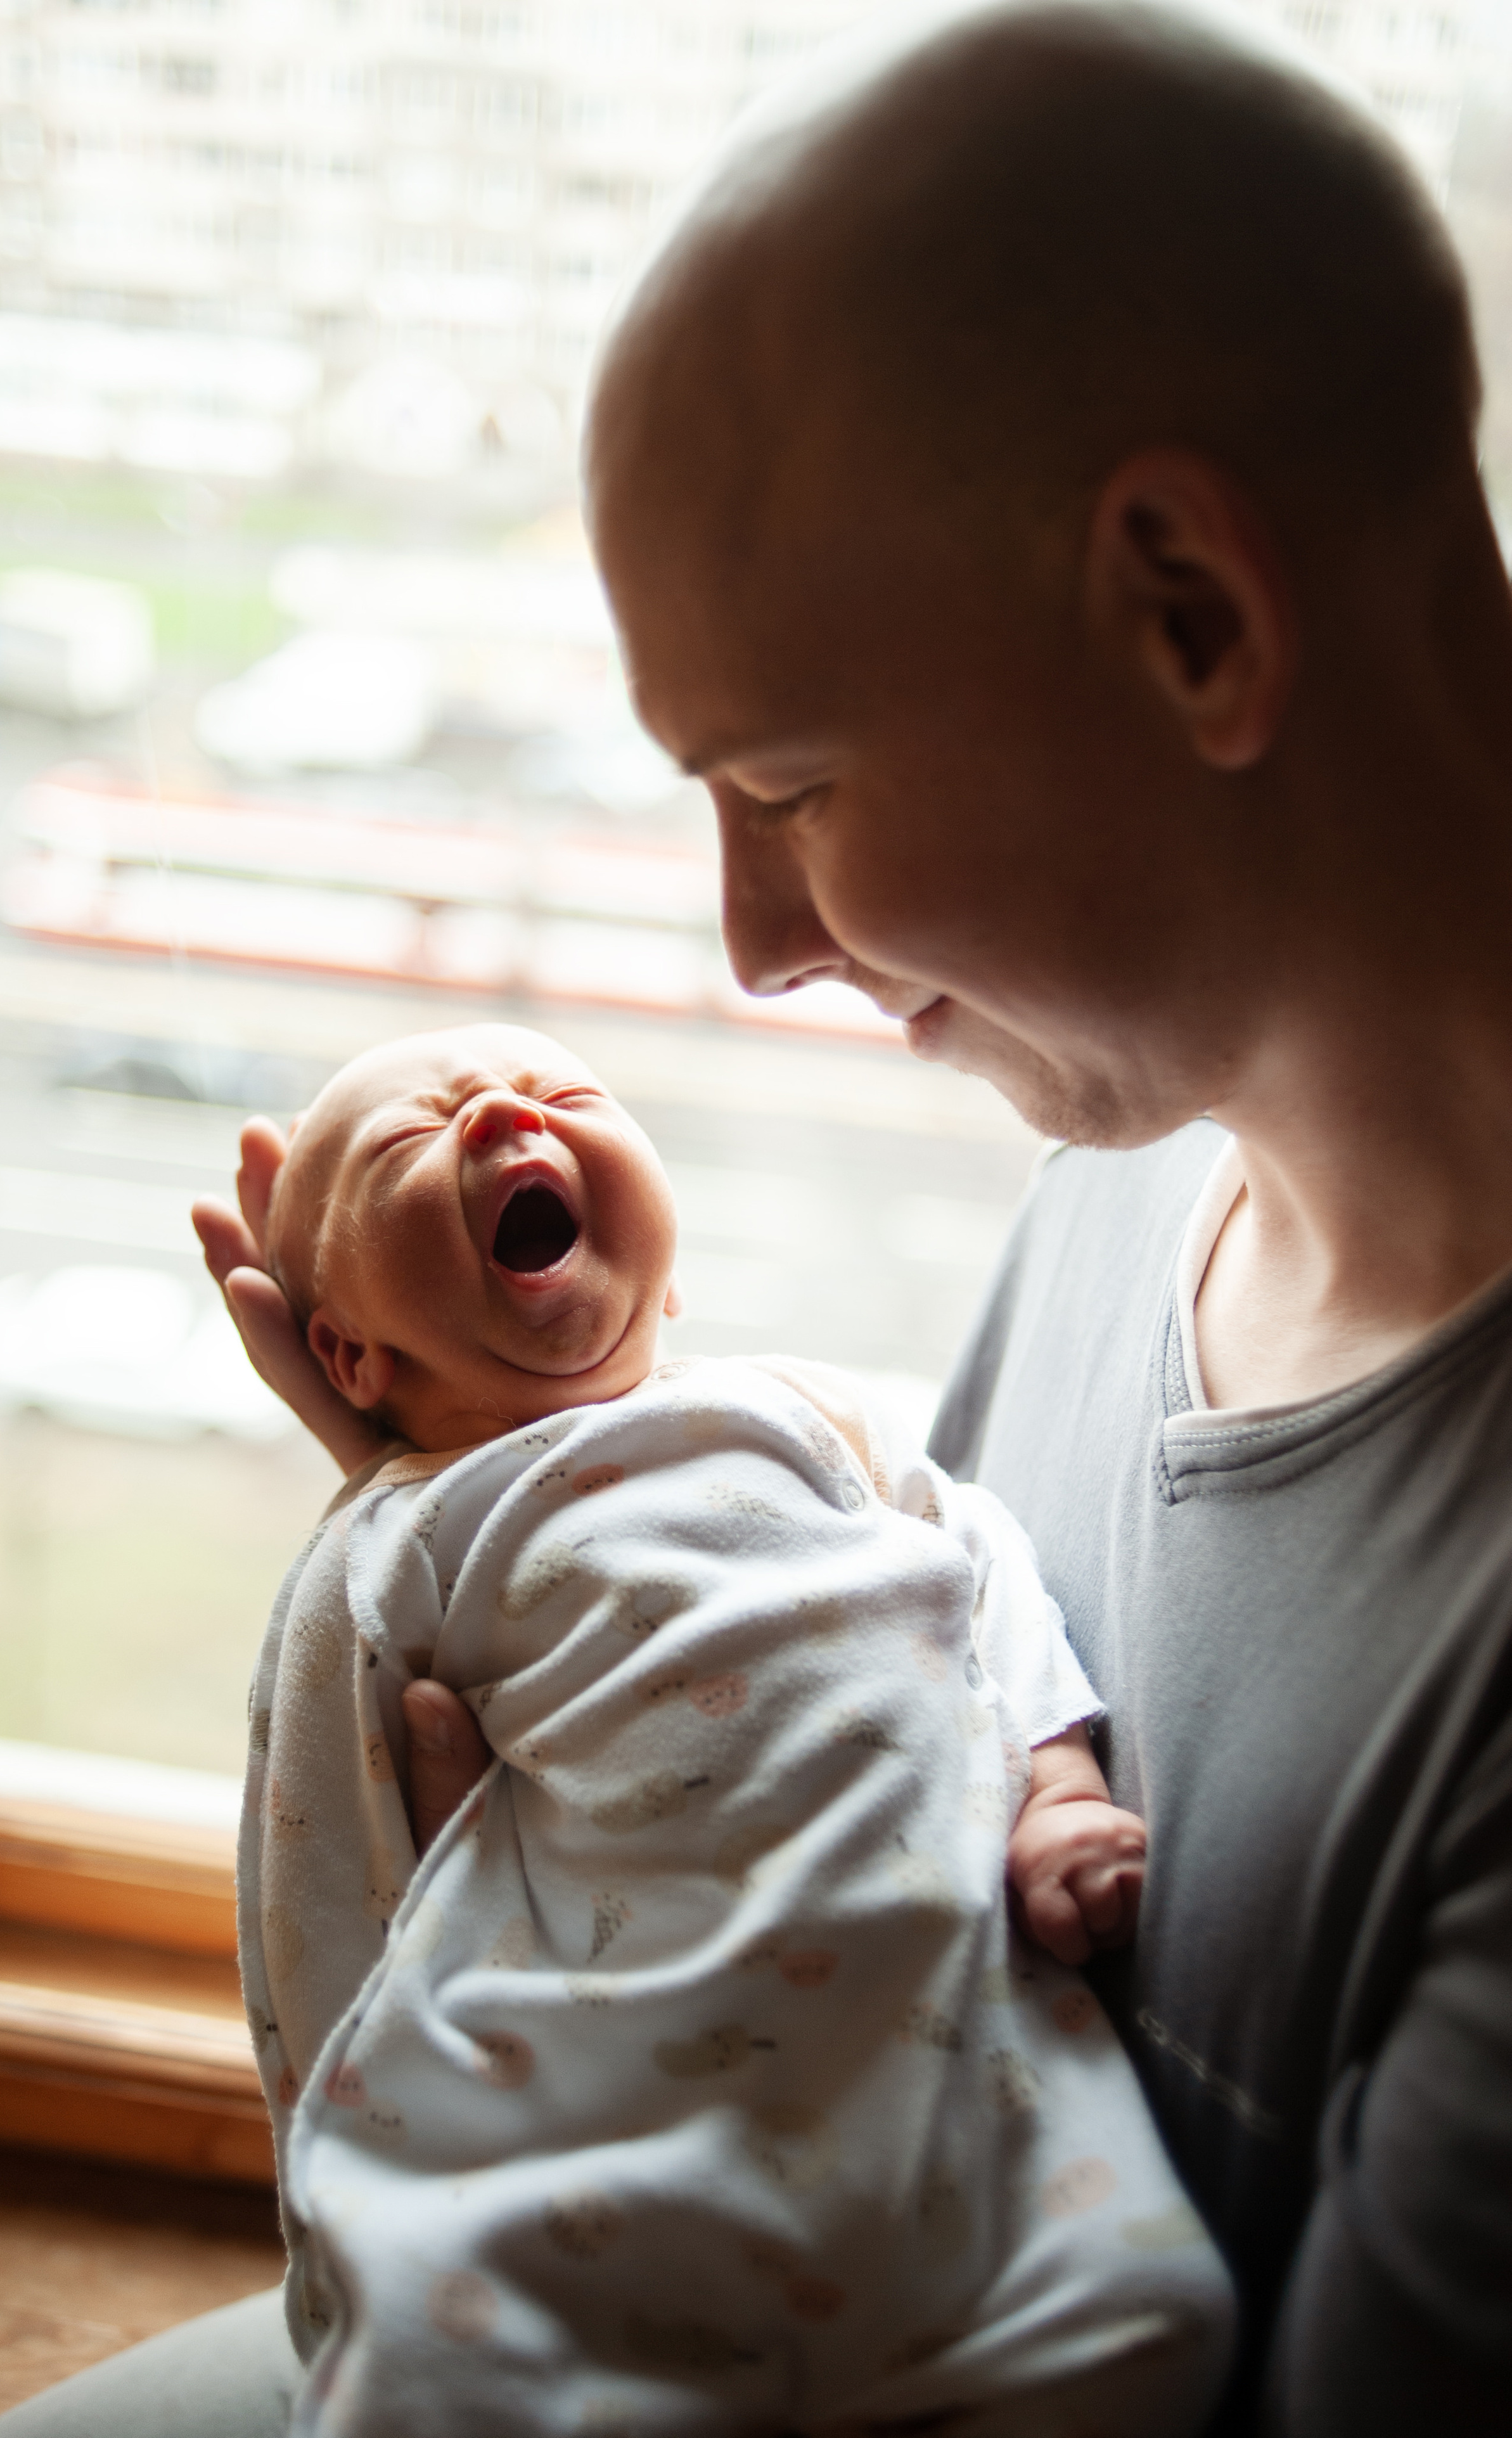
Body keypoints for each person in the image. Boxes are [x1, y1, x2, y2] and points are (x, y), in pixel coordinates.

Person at [0, 0, 1512, 2430]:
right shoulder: (1136, 1174)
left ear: (1190, 613)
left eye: (786, 783)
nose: (755, 945)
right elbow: (888, 1746)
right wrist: (494, 1512)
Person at [238, 1021, 1229, 2435]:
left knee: (1128, 2323)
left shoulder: (799, 1410)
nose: (503, 1112)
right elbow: (314, 1839)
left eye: (566, 1092)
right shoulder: (399, 1538)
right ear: (345, 1352)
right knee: (468, 2347)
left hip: (936, 2014)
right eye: (406, 1138)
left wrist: (1056, 1785)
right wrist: (348, 2126)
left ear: (670, 1266)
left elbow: (981, 1567)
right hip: (612, 2052)